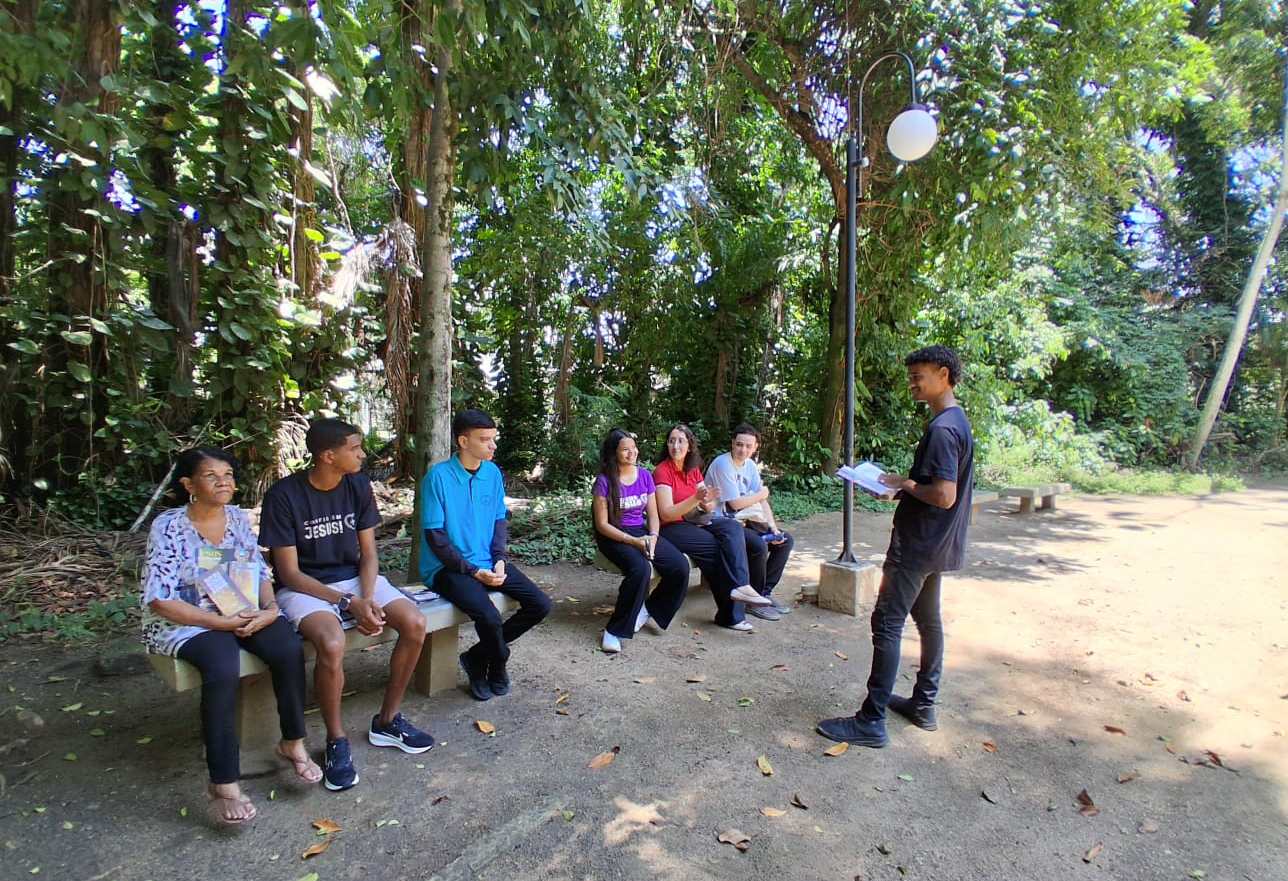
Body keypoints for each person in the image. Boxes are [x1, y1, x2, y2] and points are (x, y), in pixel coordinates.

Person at [141, 448, 322, 825]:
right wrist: (223, 625)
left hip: (242, 612)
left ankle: (293, 742)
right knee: (222, 666)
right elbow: (159, 600)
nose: (224, 481)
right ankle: (223, 782)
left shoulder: (238, 518)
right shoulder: (169, 525)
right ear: (189, 485)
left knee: (288, 648)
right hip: (189, 622)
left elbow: (259, 573)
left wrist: (270, 610)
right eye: (211, 475)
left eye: (228, 474)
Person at [260, 419, 435, 793]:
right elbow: (288, 573)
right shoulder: (284, 496)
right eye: (355, 448)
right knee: (332, 642)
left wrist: (367, 599)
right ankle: (336, 741)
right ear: (328, 456)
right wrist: (347, 602)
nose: (362, 454)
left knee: (415, 623)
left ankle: (387, 720)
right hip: (306, 587)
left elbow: (369, 555)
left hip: (356, 580)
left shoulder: (357, 484)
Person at [817, 345, 974, 748]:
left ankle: (871, 721)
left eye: (918, 376)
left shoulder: (942, 429)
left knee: (886, 623)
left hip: (917, 546)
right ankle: (923, 703)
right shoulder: (955, 422)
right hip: (938, 544)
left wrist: (906, 485)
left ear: (943, 374)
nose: (912, 384)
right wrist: (903, 487)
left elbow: (943, 494)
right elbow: (935, 488)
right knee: (928, 620)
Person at [419, 409, 552, 701]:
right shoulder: (437, 477)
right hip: (446, 568)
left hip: (487, 560)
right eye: (485, 439)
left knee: (540, 604)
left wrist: (499, 558)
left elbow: (498, 520)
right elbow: (435, 537)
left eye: (493, 439)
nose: (493, 446)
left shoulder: (492, 473)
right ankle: (498, 661)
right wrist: (473, 571)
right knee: (489, 617)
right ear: (463, 441)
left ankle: (477, 657)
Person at [653, 423, 772, 633]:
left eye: (681, 441)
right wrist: (695, 499)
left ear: (689, 445)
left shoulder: (693, 469)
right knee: (716, 548)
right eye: (672, 441)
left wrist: (707, 501)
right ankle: (730, 614)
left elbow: (705, 504)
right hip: (672, 527)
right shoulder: (663, 471)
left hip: (695, 520)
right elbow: (666, 513)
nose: (676, 445)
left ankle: (741, 587)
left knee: (732, 529)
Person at [591, 428, 691, 653]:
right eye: (625, 450)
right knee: (640, 570)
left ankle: (649, 610)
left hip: (641, 531)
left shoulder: (645, 475)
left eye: (633, 448)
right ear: (613, 453)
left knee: (679, 567)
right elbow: (602, 525)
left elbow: (653, 515)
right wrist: (633, 542)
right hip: (614, 535)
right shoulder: (605, 480)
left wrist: (653, 537)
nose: (631, 453)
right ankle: (614, 631)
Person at [705, 423, 796, 622]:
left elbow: (761, 500)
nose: (743, 450)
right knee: (758, 545)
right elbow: (735, 503)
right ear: (732, 443)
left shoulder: (751, 466)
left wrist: (773, 527)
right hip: (722, 522)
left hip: (745, 521)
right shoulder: (723, 464)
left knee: (785, 540)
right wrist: (761, 493)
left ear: (755, 447)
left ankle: (763, 593)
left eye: (748, 446)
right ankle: (752, 600)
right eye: (739, 444)